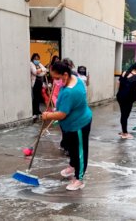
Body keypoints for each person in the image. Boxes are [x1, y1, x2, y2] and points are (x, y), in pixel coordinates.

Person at [42, 61, 92, 191]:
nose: (55, 81)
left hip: (79, 124)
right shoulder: (74, 77)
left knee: (80, 151)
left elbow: (62, 114)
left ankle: (79, 179)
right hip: (70, 125)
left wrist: (47, 115)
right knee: (71, 147)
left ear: (65, 74)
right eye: (53, 78)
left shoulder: (70, 92)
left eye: (57, 78)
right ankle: (73, 165)